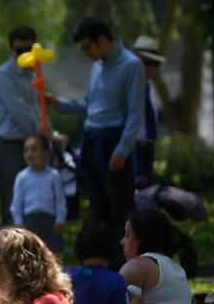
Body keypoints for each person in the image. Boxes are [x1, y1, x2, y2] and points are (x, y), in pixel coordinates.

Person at [50, 18, 145, 236]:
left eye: (86, 47)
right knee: (97, 206)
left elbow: (135, 113)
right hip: (92, 140)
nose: (85, 53)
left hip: (114, 140)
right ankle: (104, 260)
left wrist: (123, 150)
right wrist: (58, 104)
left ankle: (127, 262)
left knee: (120, 206)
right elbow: (89, 107)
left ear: (102, 40)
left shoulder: (131, 65)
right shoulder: (97, 66)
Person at [0, 26, 42, 225]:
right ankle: (8, 254)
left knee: (35, 204)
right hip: (13, 147)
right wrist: (45, 132)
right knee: (13, 206)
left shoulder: (34, 74)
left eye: (28, 49)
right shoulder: (4, 75)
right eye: (18, 50)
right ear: (10, 50)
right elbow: (21, 112)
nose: (24, 54)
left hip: (34, 144)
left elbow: (39, 108)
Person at [10, 134, 66, 253]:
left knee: (51, 253)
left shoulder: (53, 175)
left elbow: (60, 201)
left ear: (46, 153)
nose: (30, 153)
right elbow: (16, 204)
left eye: (34, 149)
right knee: (30, 253)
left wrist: (60, 220)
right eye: (26, 150)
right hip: (29, 222)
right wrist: (19, 223)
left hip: (50, 221)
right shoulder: (21, 177)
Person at [130, 36, 164, 189]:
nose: (151, 68)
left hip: (146, 147)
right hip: (133, 147)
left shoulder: (149, 87)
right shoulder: (129, 88)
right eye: (146, 63)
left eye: (155, 64)